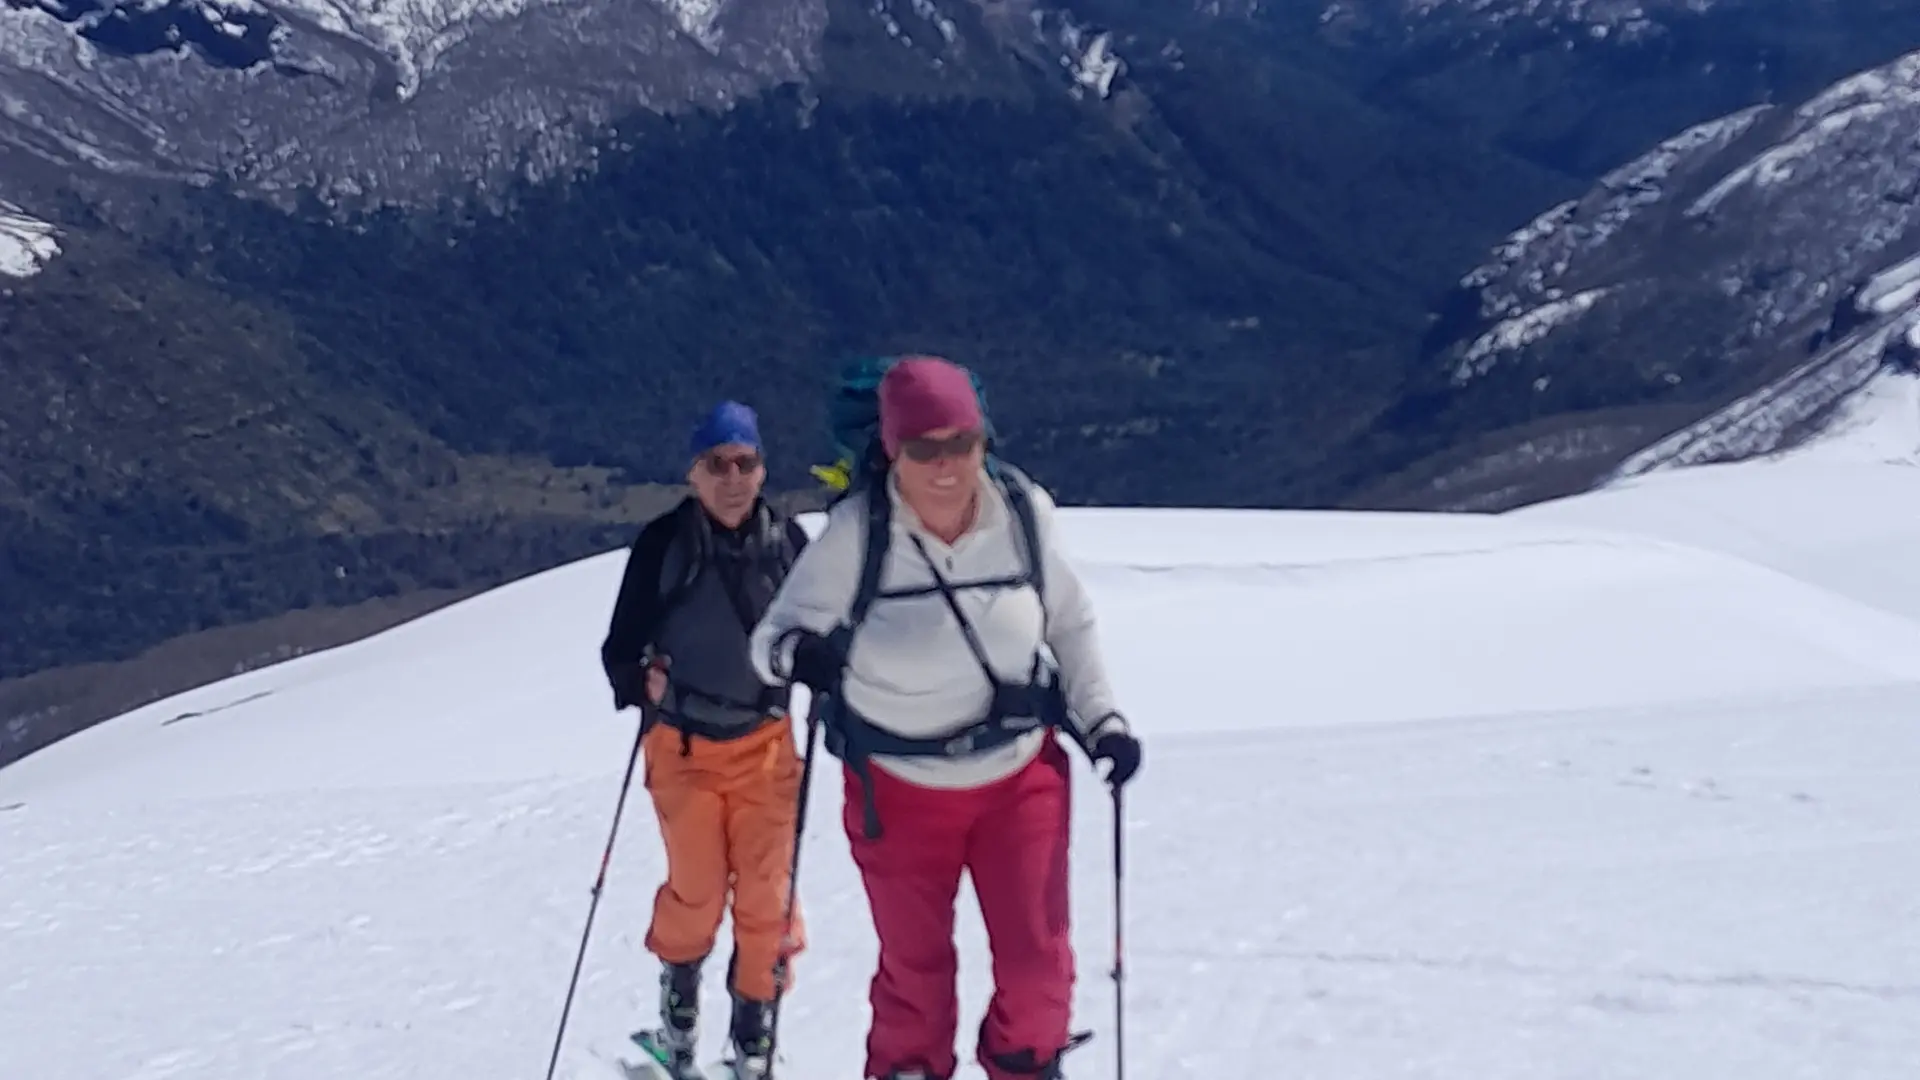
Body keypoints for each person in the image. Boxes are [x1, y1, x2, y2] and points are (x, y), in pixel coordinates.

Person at [748, 356, 1143, 1080]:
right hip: (895, 790)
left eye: (960, 443)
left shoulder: (1023, 514)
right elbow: (771, 642)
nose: (944, 464)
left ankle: (1025, 1064)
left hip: (1019, 779)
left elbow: (1071, 625)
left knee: (1038, 966)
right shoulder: (856, 534)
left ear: (983, 440)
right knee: (915, 973)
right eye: (922, 448)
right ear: (892, 449)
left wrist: (1104, 722)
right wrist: (802, 655)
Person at [599, 400, 811, 1079]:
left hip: (767, 746)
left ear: (761, 469)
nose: (732, 478)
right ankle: (686, 1024)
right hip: (685, 749)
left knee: (766, 897)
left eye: (744, 463)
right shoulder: (663, 546)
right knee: (697, 890)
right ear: (693, 472)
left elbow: (819, 637)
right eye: (717, 464)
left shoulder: (790, 547)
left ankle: (749, 1038)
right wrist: (639, 684)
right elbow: (619, 650)